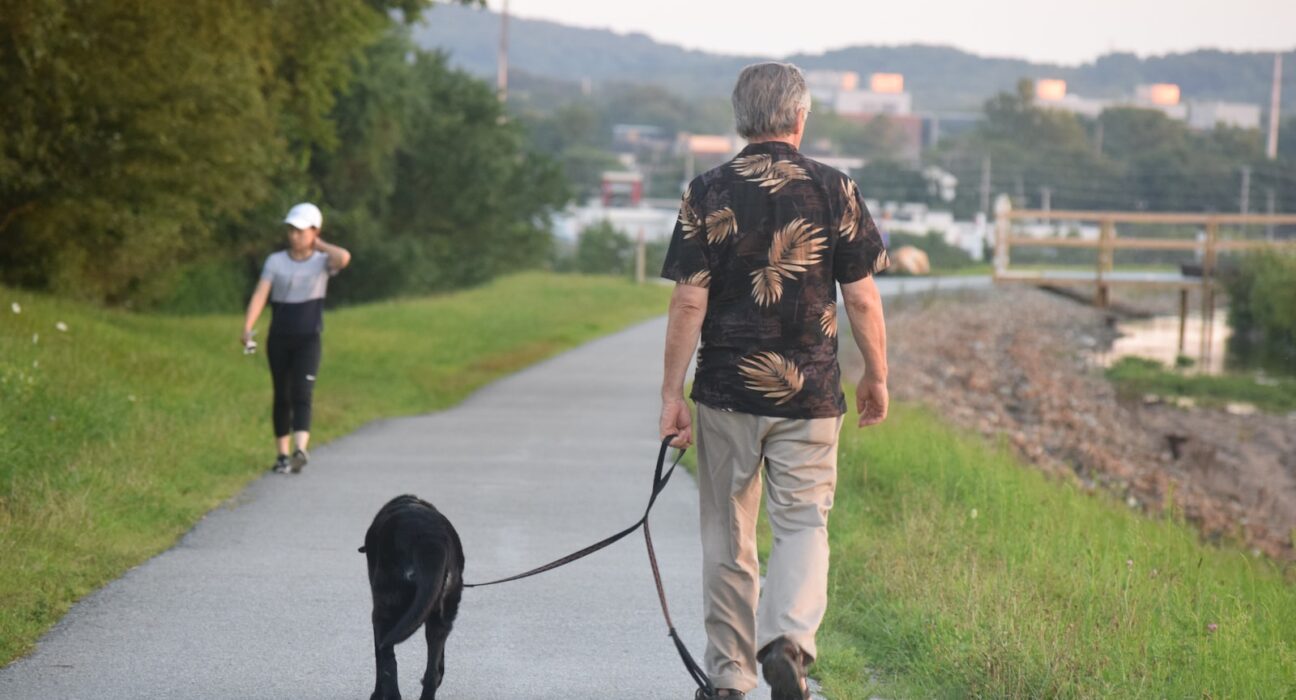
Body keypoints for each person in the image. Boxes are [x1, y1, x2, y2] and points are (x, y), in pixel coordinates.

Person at [658, 62, 890, 700]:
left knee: (729, 532)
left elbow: (687, 303)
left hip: (727, 393)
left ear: (740, 121)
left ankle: (730, 677)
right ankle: (787, 642)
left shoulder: (706, 190)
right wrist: (876, 375)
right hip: (811, 395)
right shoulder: (834, 188)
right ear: (799, 118)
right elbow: (863, 299)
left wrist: (670, 395)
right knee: (803, 524)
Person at [241, 202, 351, 474]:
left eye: (301, 231)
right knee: (282, 394)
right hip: (278, 338)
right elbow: (260, 294)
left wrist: (319, 244)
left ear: (314, 231)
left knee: (303, 392)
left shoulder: (322, 262)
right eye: (291, 230)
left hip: (308, 338)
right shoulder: (275, 261)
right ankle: (281, 455)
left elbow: (344, 257)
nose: (294, 236)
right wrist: (247, 327)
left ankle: (300, 449)